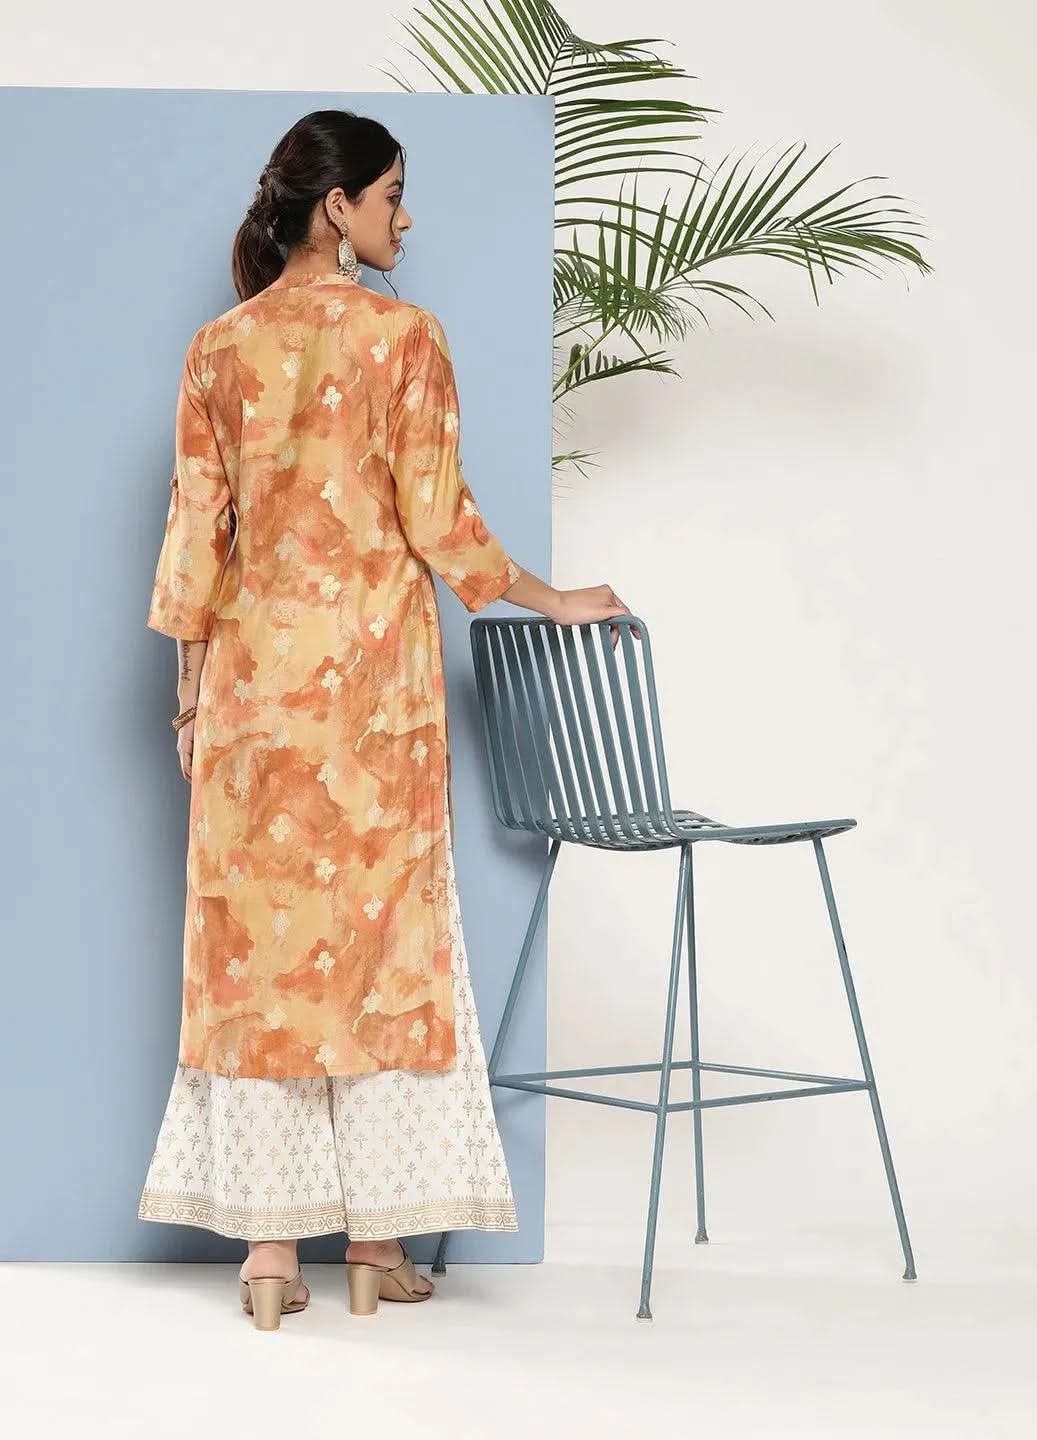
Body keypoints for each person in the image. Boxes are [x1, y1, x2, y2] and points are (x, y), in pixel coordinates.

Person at [138, 108, 632, 1330]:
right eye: (393, 195)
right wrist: (558, 599)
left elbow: (195, 542)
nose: (406, 219)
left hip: (252, 702)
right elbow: (442, 525)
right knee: (382, 958)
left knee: (256, 964)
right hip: (373, 708)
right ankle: (375, 1245)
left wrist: (190, 702)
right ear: (338, 206)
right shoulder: (406, 340)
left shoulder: (219, 349)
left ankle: (269, 1258)